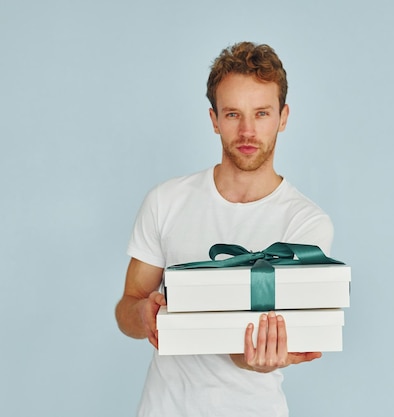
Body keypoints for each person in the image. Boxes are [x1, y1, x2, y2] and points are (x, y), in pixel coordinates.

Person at [115, 41, 335, 417]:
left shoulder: (306, 224)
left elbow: (264, 344)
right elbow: (127, 307)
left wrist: (260, 359)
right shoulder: (166, 201)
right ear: (214, 120)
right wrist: (144, 315)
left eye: (261, 113)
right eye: (233, 114)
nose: (247, 131)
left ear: (283, 117)